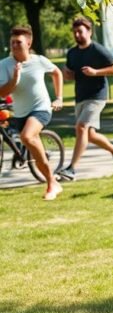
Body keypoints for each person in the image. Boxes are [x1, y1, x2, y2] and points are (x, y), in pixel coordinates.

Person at [56, 17, 113, 182]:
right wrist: (67, 74)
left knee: (81, 127)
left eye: (80, 31)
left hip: (97, 96)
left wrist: (96, 72)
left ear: (89, 32)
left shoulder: (97, 50)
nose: (77, 34)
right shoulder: (72, 53)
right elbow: (73, 74)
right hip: (80, 96)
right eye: (75, 32)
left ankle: (72, 169)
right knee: (90, 135)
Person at [0, 26, 63, 200]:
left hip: (41, 108)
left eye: (18, 42)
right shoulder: (4, 65)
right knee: (31, 143)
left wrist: (59, 98)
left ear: (28, 43)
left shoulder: (39, 60)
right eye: (12, 42)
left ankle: (51, 183)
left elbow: (57, 73)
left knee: (27, 137)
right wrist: (14, 79)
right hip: (20, 113)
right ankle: (53, 182)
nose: (14, 45)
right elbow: (3, 93)